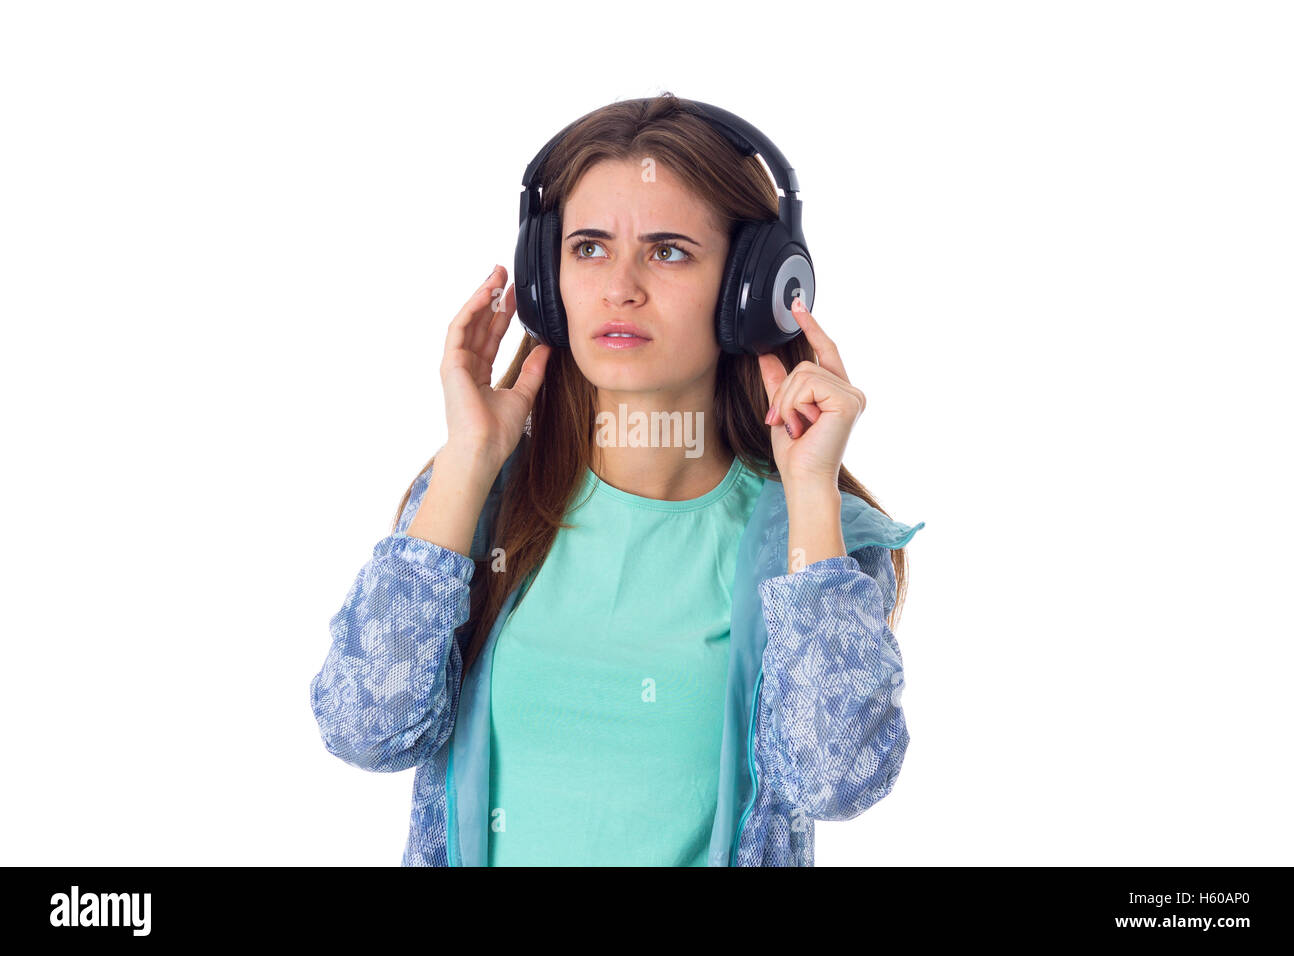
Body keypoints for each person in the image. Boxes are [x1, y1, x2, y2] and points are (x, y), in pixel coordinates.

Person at [309, 93, 924, 866]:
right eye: (589, 248)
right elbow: (365, 728)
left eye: (668, 251)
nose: (619, 287)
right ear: (545, 277)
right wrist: (468, 460)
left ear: (754, 289)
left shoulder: (806, 542)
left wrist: (808, 492)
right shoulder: (482, 503)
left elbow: (838, 782)